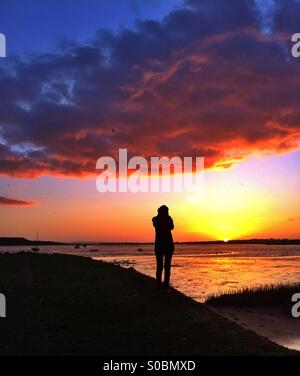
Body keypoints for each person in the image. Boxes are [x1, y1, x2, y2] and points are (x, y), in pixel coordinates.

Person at [152, 205, 174, 289]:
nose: (167, 212)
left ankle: (165, 286)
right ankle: (159, 285)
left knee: (166, 267)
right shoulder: (156, 219)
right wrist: (166, 218)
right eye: (166, 211)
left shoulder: (166, 219)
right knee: (161, 267)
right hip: (162, 245)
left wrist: (167, 217)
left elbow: (172, 227)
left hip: (166, 245)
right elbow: (169, 227)